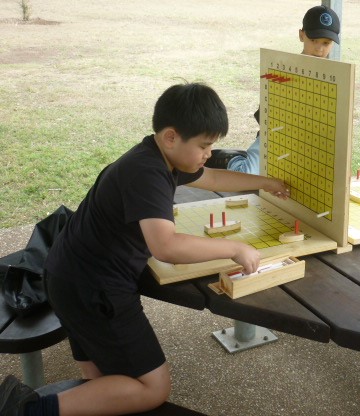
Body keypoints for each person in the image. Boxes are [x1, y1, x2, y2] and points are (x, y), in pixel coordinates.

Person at [0, 82, 289, 416]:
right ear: (171, 137)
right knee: (153, 387)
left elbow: (211, 178)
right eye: (204, 145)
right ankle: (26, 408)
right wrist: (234, 249)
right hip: (96, 290)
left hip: (67, 278)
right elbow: (165, 246)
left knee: (108, 383)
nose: (209, 153)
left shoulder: (158, 157)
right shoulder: (147, 174)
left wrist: (266, 183)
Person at [206, 5, 341, 174]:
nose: (319, 49)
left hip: (312, 141)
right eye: (314, 40)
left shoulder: (336, 79)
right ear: (301, 35)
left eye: (326, 43)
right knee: (248, 174)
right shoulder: (283, 70)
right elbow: (264, 116)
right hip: (276, 135)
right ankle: (232, 159)